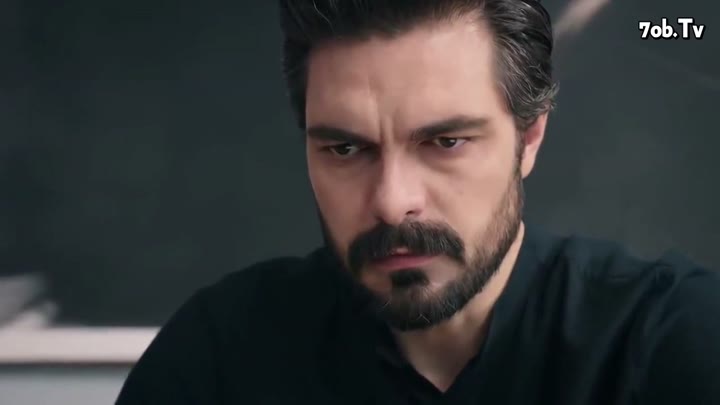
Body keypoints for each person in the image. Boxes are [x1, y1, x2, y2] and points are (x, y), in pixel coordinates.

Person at [116, 0, 720, 403]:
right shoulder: (221, 356)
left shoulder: (667, 340)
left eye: (446, 142)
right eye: (345, 149)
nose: (392, 203)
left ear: (529, 139)